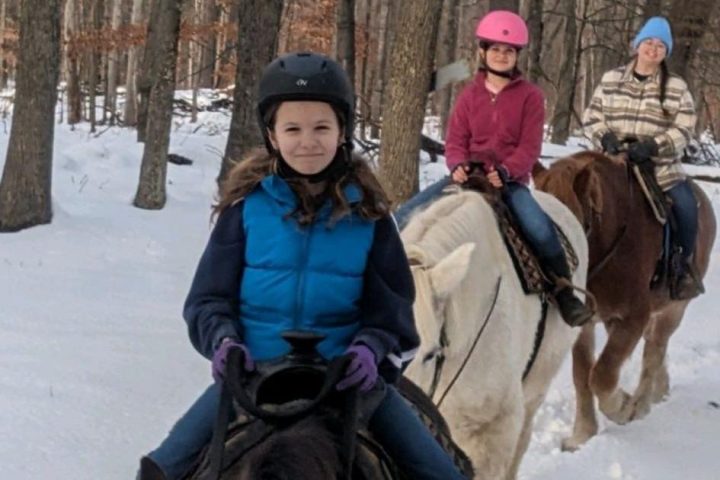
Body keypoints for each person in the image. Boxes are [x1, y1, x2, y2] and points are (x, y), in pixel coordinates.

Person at [136, 52, 466, 480]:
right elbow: (207, 300)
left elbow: (394, 314)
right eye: (292, 128)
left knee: (443, 474)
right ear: (272, 135)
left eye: (321, 127)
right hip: (252, 376)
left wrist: (369, 350)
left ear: (342, 131)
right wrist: (224, 343)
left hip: (347, 381)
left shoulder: (371, 217)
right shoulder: (244, 211)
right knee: (160, 470)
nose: (307, 141)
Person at [396, 10, 594, 327]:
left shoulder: (531, 97)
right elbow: (456, 139)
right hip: (467, 177)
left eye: (509, 51)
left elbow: (529, 147)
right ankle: (389, 283)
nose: (502, 56)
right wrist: (457, 164)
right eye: (496, 49)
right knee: (403, 216)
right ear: (483, 51)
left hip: (507, 181)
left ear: (517, 56)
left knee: (539, 228)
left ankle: (564, 291)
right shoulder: (469, 95)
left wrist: (507, 171)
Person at [583, 16, 703, 299]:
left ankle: (680, 267)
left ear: (666, 52)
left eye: (660, 45)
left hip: (657, 167)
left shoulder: (676, 88)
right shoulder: (611, 80)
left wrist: (653, 146)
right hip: (611, 162)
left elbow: (685, 128)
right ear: (637, 45)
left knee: (687, 207)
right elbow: (592, 116)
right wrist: (605, 138)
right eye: (648, 42)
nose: (653, 49)